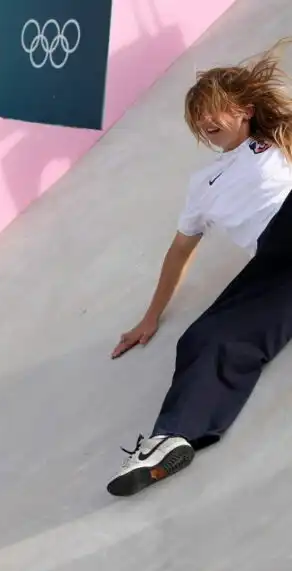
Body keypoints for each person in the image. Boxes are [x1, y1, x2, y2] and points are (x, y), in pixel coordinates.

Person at [106, 38, 292, 497]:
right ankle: (171, 439)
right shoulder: (202, 185)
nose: (206, 122)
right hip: (276, 263)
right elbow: (179, 251)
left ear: (245, 110)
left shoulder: (278, 140)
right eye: (198, 119)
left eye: (215, 111)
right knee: (206, 337)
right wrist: (150, 318)